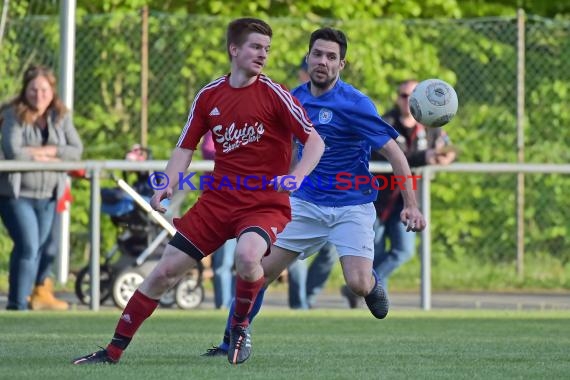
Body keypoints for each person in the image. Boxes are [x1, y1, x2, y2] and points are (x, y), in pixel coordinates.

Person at [72, 17, 325, 366]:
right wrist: (164, 186)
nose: (262, 54)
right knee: (163, 272)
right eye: (255, 47)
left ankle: (239, 327)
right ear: (233, 49)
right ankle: (112, 351)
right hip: (218, 203)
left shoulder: (275, 94)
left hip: (264, 204)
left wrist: (297, 176)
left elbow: (315, 142)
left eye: (266, 48)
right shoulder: (209, 96)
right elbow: (184, 149)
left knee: (249, 257)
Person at [201, 27, 426, 363]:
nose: (323, 61)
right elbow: (286, 152)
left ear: (341, 64)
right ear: (308, 58)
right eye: (318, 54)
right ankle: (231, 338)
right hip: (304, 204)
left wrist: (412, 205)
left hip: (351, 205)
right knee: (256, 272)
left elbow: (395, 154)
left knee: (358, 284)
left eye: (331, 57)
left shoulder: (356, 103)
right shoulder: (291, 99)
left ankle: (371, 282)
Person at [0, 64, 83, 311]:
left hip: (48, 195)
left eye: (44, 89)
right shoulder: (12, 114)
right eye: (34, 89)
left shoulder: (60, 116)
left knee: (40, 248)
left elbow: (76, 151)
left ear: (52, 90)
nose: (39, 94)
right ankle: (18, 304)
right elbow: (14, 153)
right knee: (28, 245)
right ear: (26, 90)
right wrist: (55, 158)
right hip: (16, 195)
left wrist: (44, 153)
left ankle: (26, 297)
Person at [372, 79, 455, 292]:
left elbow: (449, 148)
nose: (408, 100)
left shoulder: (430, 123)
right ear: (397, 99)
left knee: (404, 251)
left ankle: (367, 286)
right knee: (377, 253)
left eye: (413, 95)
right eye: (403, 96)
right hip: (379, 200)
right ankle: (377, 299)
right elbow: (392, 156)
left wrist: (445, 156)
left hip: (407, 202)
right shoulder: (386, 123)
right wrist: (423, 156)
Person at [285, 58, 338, 310]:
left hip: (329, 195)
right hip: (296, 194)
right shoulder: (291, 101)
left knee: (330, 252)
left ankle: (310, 295)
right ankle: (300, 305)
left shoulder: (340, 103)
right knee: (293, 254)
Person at [201, 130, 236, 309]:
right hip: (222, 202)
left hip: (250, 200)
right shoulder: (216, 120)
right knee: (224, 262)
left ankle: (240, 309)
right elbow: (208, 149)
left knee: (249, 262)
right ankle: (224, 306)